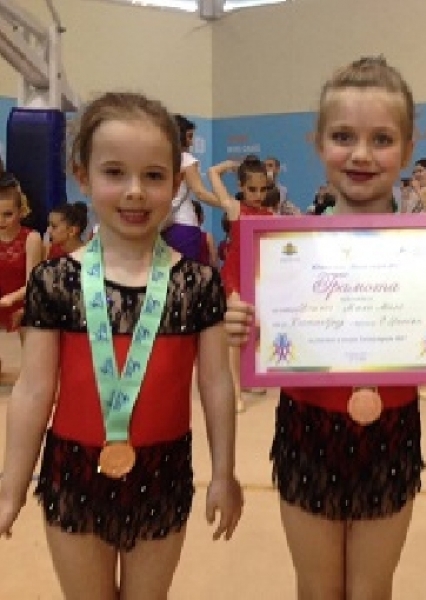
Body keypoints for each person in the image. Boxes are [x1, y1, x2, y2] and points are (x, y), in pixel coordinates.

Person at [222, 56, 426, 599]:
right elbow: (253, 334)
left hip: (391, 431)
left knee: (371, 589)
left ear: (408, 148)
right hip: (307, 428)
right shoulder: (281, 249)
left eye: (381, 139)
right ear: (319, 143)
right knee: (317, 589)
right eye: (343, 136)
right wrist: (242, 324)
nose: (361, 154)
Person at [0, 91, 243, 599]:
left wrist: (224, 473)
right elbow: (33, 390)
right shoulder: (56, 282)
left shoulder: (197, 284)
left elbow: (216, 383)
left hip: (163, 471)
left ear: (175, 184)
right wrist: (11, 485)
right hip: (73, 472)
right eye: (114, 172)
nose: (135, 191)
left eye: (153, 175)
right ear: (83, 176)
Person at [208, 155, 274, 413]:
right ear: (241, 186)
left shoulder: (270, 214)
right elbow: (212, 174)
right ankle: (235, 390)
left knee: (253, 331)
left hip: (257, 276)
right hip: (234, 277)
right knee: (235, 336)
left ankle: (249, 378)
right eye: (252, 189)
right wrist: (226, 166)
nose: (258, 195)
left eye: (263, 189)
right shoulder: (234, 208)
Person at [0, 172, 43, 375]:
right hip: (2, 297)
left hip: (25, 299)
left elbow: (33, 284)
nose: (1, 220)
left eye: (8, 214)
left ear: (21, 212)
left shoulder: (31, 238)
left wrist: (13, 299)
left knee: (32, 366)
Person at [161, 114, 220, 260]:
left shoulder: (160, 159)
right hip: (184, 227)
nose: (192, 142)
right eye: (189, 136)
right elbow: (200, 192)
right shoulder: (187, 160)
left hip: (160, 226)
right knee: (185, 272)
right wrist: (228, 204)